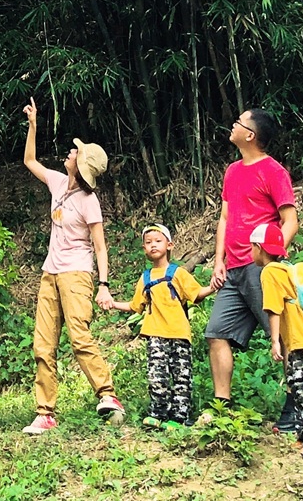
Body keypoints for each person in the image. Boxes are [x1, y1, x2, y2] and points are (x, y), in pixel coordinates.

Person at [21, 99, 125, 433]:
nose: (69, 152)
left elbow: (100, 244)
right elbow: (29, 160)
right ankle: (45, 412)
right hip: (50, 273)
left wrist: (104, 284)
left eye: (74, 153)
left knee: (79, 336)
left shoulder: (88, 201)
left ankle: (108, 395)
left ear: (81, 165)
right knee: (43, 344)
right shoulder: (56, 182)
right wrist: (33, 124)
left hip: (77, 274)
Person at [202, 108, 298, 422]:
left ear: (251, 135)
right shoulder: (232, 171)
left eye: (240, 122)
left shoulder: (273, 171)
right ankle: (222, 406)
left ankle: (296, 404)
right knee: (216, 333)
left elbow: (290, 222)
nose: (233, 124)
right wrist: (218, 261)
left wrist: (272, 259)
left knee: (286, 336)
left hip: (261, 269)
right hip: (232, 270)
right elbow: (225, 218)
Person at [105, 223, 207, 428]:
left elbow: (196, 294)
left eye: (158, 241)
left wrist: (213, 287)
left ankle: (179, 417)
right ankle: (157, 414)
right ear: (144, 249)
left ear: (169, 245)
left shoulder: (178, 273)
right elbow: (135, 307)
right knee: (156, 375)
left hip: (179, 333)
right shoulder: (145, 278)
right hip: (154, 334)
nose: (153, 245)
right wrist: (113, 303)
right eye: (148, 242)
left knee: (181, 376)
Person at [253, 219, 303, 448]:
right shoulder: (286, 268)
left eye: (252, 247)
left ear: (259, 248)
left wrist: (274, 342)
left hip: (301, 338)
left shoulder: (270, 272)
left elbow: (273, 307)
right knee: (299, 384)